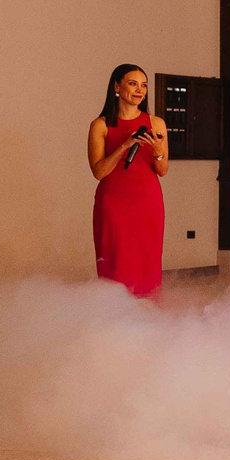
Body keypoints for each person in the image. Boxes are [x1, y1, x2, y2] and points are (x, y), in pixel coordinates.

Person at [87, 64, 167, 297]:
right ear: (117, 87)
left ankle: (149, 320)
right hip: (113, 203)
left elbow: (162, 170)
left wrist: (158, 149)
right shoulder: (100, 125)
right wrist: (125, 145)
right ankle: (115, 322)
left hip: (148, 202)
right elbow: (99, 172)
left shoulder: (156, 123)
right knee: (116, 263)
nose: (139, 90)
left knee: (147, 262)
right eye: (133, 84)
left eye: (144, 85)